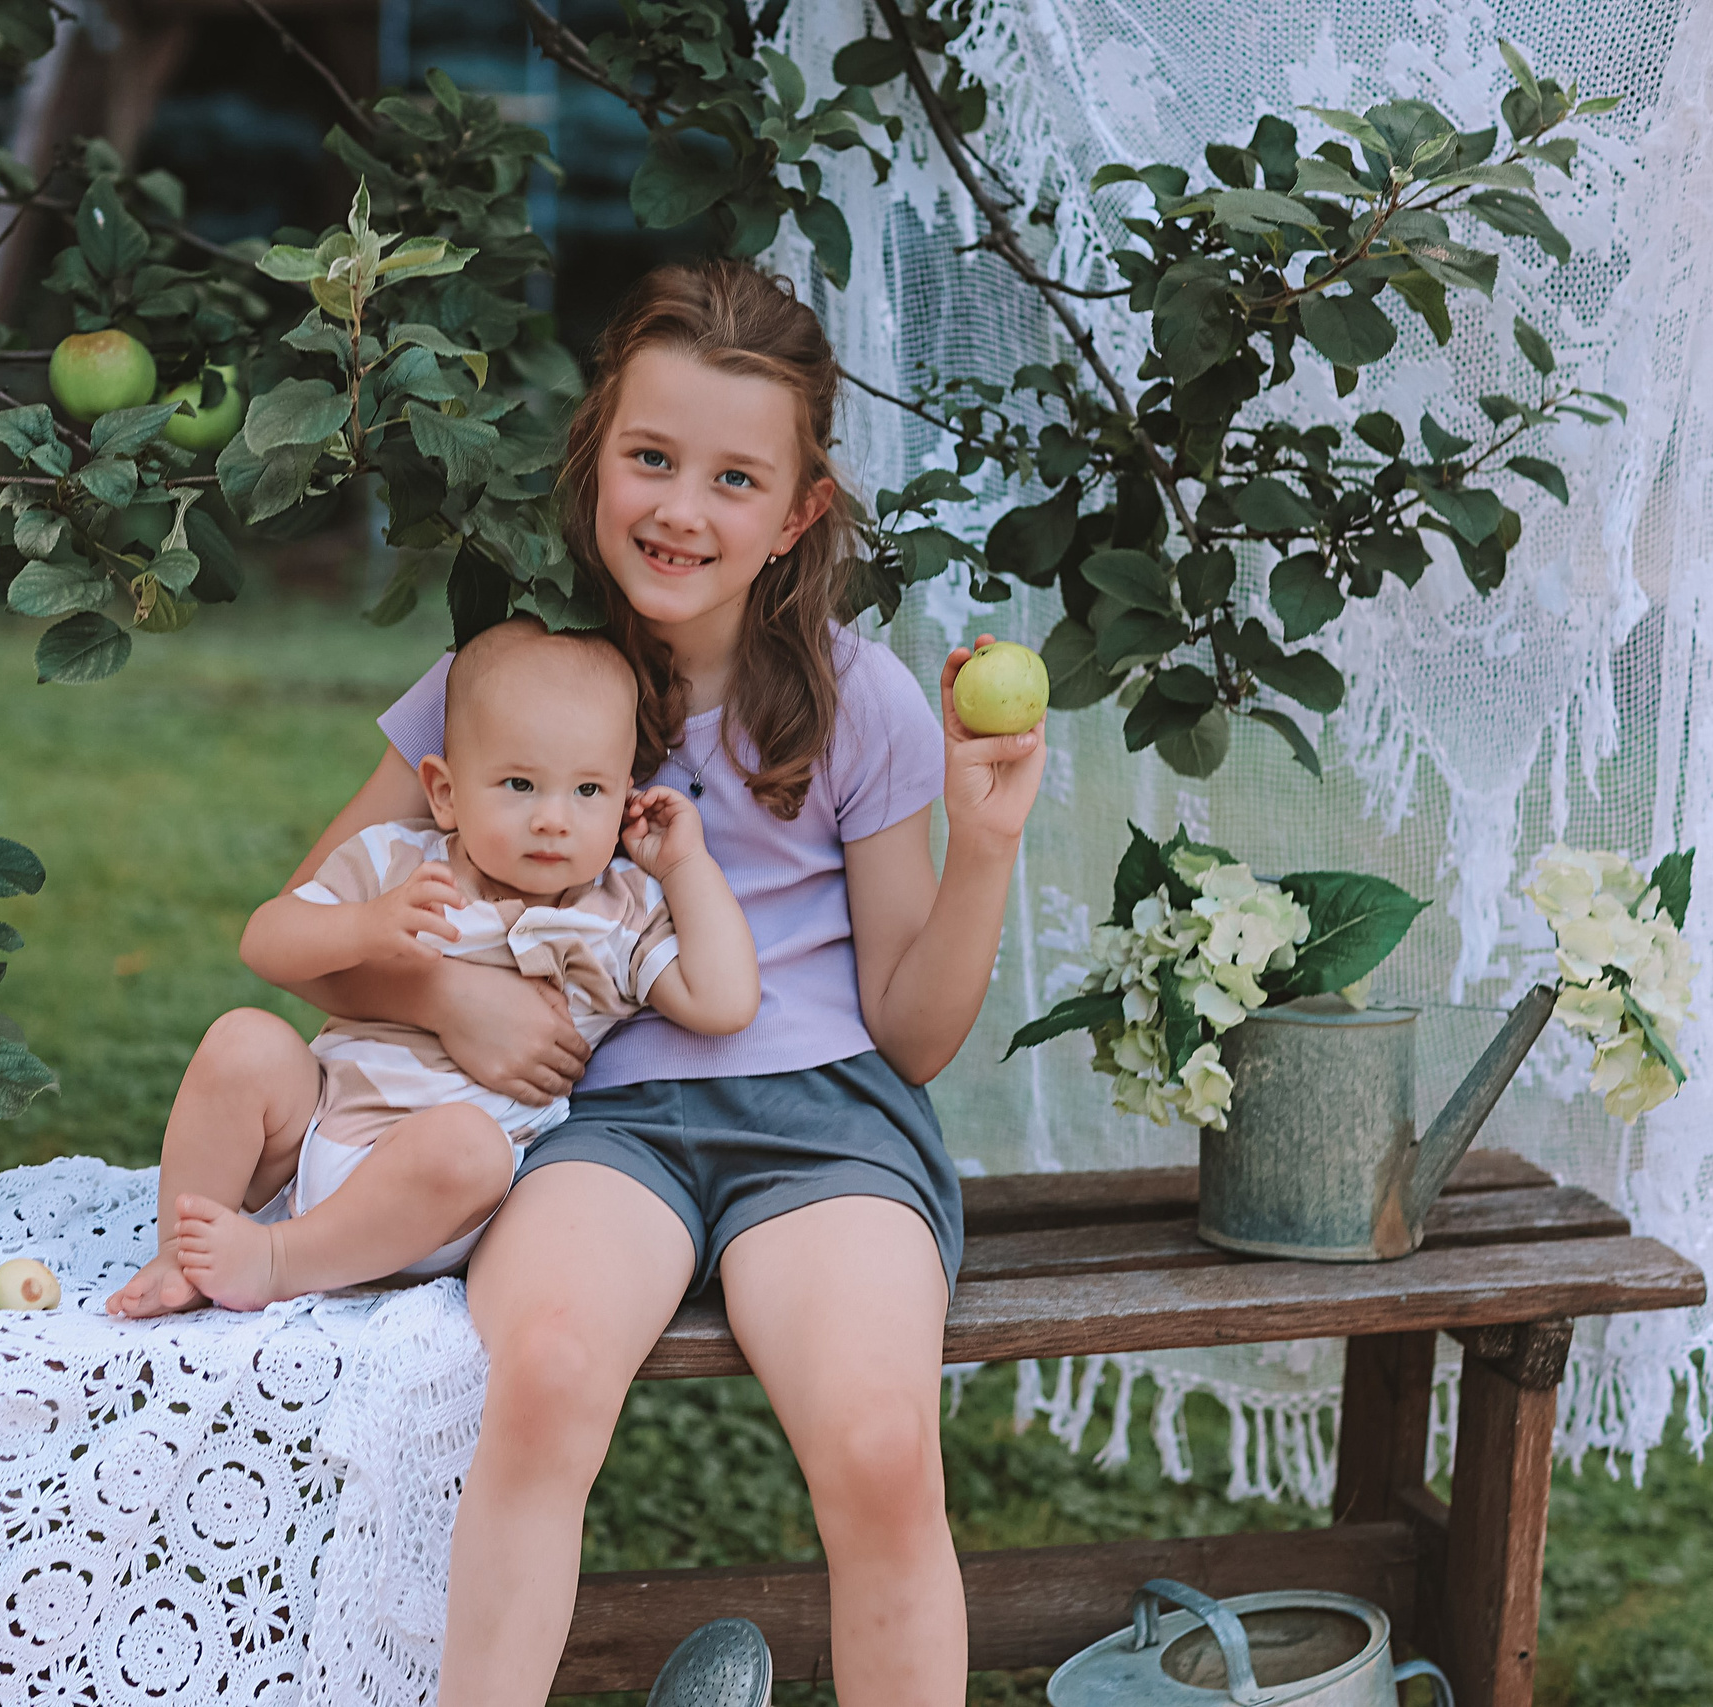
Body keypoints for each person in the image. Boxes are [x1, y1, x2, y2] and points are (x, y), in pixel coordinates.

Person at [262, 260, 1045, 1705]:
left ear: (797, 513)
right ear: (595, 457)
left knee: (880, 1445)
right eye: (652, 458)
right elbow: (316, 916)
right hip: (594, 1124)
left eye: (735, 479)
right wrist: (445, 999)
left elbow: (913, 1034)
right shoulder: (503, 683)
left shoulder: (859, 699)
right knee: (547, 1372)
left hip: (827, 1127)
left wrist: (984, 843)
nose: (683, 508)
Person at [105, 617, 759, 1318]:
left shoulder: (616, 913)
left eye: (589, 791)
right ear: (445, 792)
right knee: (243, 1041)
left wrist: (685, 865)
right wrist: (366, 924)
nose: (554, 818)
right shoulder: (400, 859)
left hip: (433, 1200)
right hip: (321, 1121)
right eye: (520, 783)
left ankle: (279, 1260)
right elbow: (264, 938)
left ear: (626, 793)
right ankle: (180, 1255)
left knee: (470, 1147)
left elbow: (724, 1002)